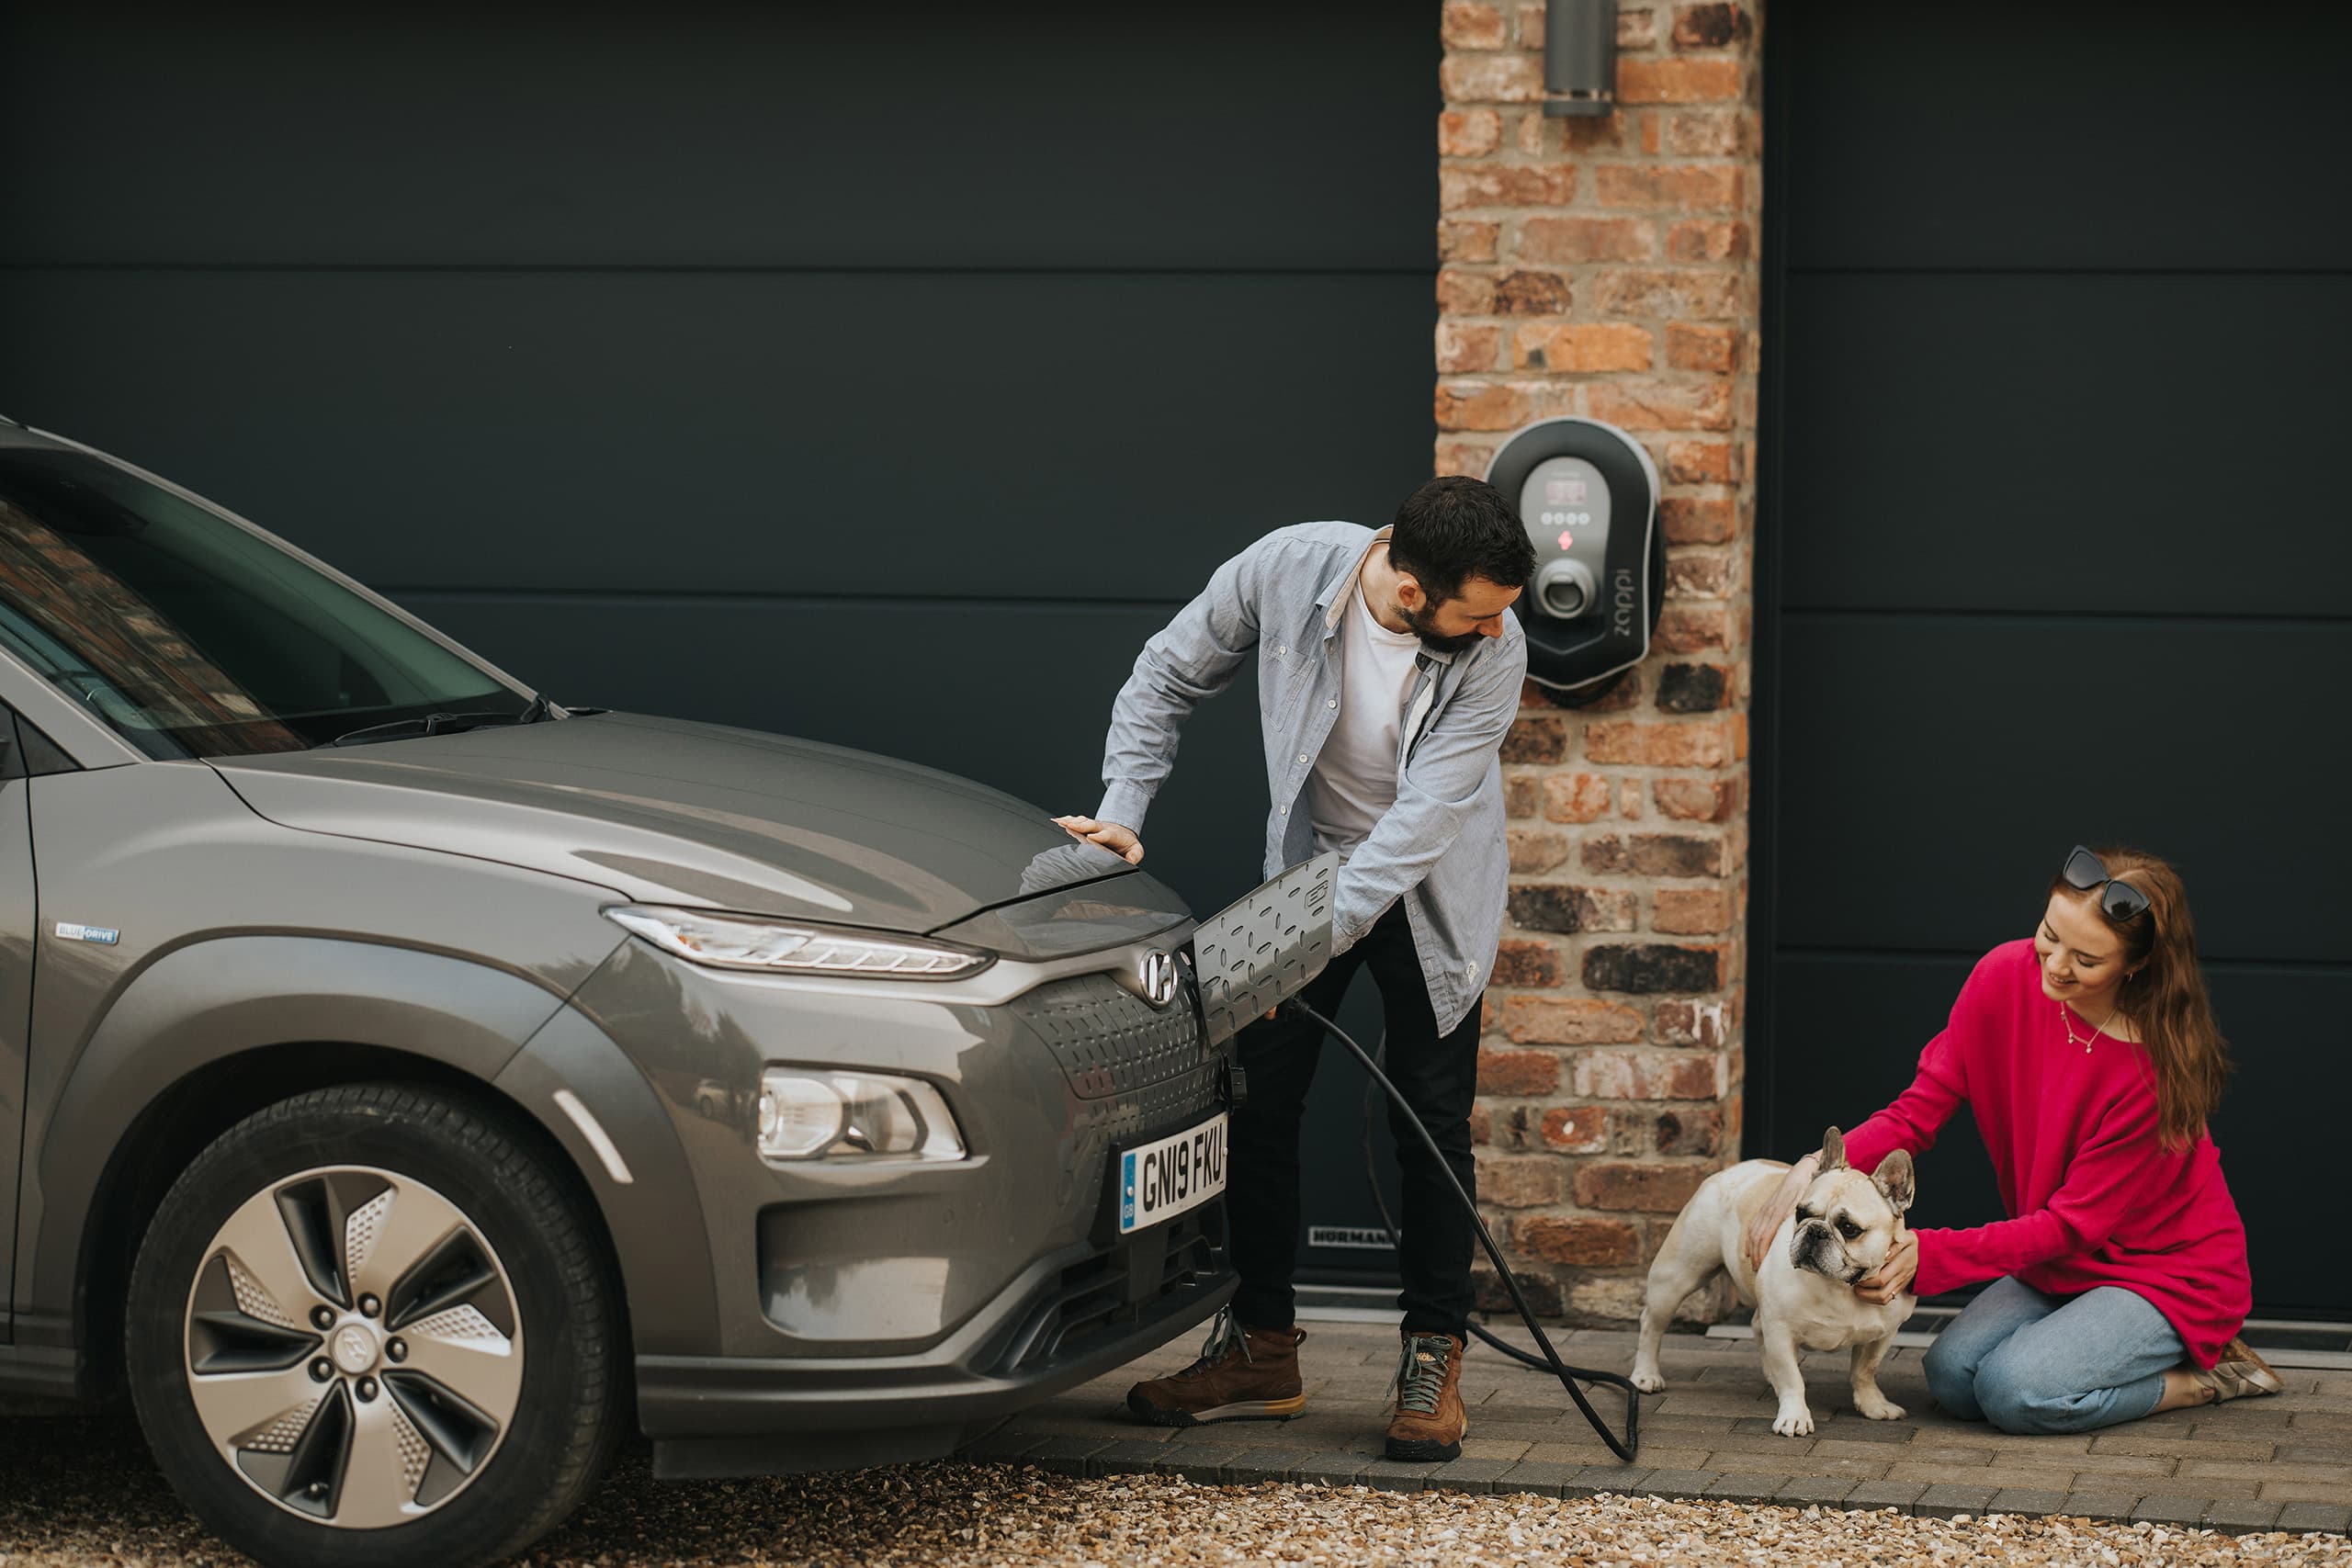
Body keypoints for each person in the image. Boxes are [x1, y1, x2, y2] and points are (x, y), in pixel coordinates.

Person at [1057, 476, 1536, 1462]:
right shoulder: (1284, 569)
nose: (1497, 633)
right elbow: (1164, 673)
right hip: (1308, 877)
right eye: (1478, 614)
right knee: (1255, 1108)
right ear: (1411, 592)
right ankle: (1262, 1350)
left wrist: (1298, 939)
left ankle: (1432, 1355)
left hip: (1427, 890)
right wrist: (1124, 809)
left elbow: (1420, 824)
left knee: (1430, 1127)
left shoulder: (1498, 649)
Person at [1742, 845, 2281, 1435]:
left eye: (2087, 958)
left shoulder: (2152, 1073)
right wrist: (1816, 1165)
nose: (2054, 964)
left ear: (2135, 966)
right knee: (1950, 1378)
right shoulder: (2004, 975)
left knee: (2014, 1393)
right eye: (2049, 935)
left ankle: (2204, 1375)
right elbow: (1918, 1110)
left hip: (2167, 1274)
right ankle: (2103, 1346)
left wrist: (1930, 1255)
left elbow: (2073, 1224)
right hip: (2059, 1267)